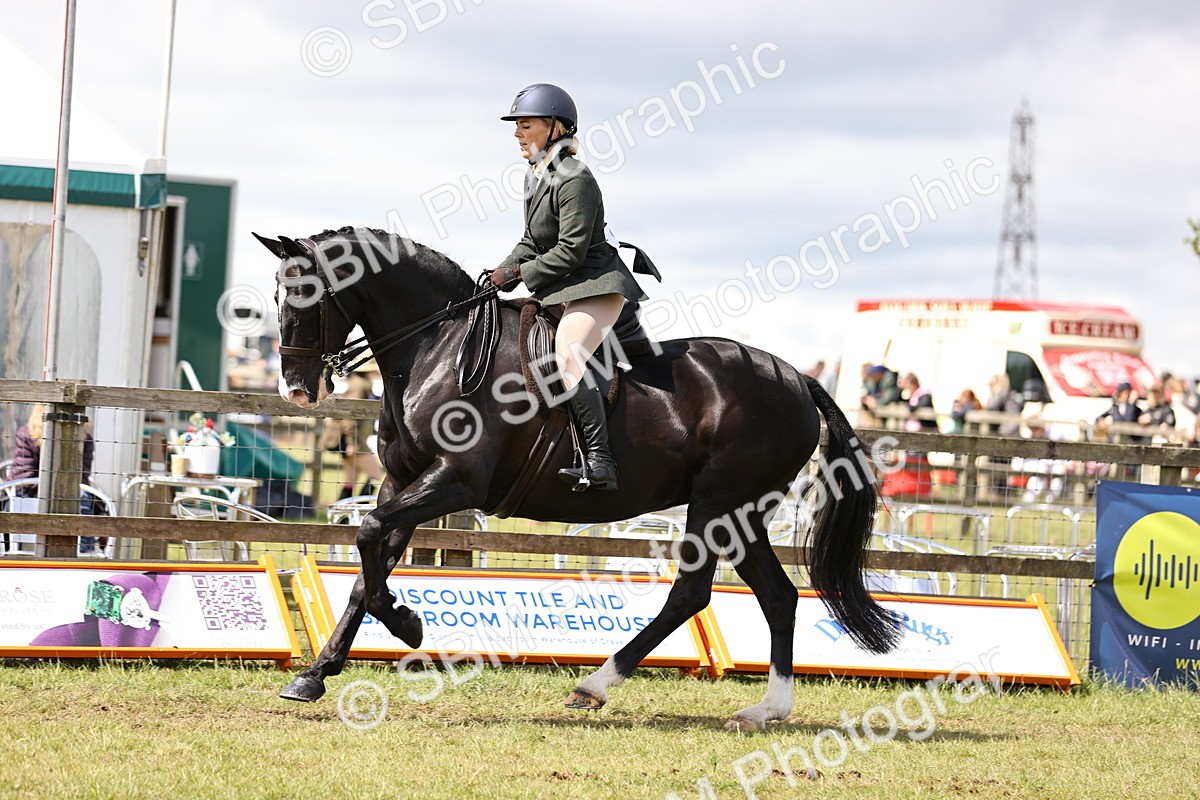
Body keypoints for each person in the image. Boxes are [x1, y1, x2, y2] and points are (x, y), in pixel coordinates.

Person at [490, 84, 646, 492]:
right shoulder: (535, 176)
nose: (517, 133)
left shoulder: (575, 178)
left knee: (568, 355)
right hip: (564, 287)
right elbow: (531, 241)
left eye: (526, 125)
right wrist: (501, 271)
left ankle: (600, 461)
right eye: (517, 126)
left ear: (556, 128)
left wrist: (520, 274)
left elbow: (571, 251)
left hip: (595, 284)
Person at [9, 404, 105, 556]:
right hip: (31, 492)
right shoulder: (26, 434)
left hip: (71, 493)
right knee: (81, 497)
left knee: (81, 496)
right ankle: (84, 551)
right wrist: (51, 488)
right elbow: (23, 475)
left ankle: (83, 551)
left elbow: (82, 476)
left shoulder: (86, 438)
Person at [323, 372, 384, 500]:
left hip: (349, 438)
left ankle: (342, 511)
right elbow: (351, 414)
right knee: (376, 475)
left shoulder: (358, 381)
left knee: (351, 479)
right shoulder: (360, 384)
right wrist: (352, 442)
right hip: (353, 440)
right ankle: (362, 508)